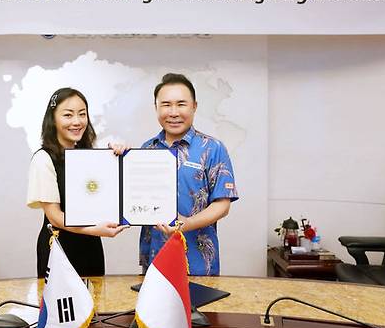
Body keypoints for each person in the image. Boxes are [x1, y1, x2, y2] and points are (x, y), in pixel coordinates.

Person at [138, 73, 238, 276]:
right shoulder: (146, 149)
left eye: (181, 104)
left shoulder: (212, 148)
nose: (173, 112)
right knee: (153, 308)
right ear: (156, 108)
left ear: (194, 106)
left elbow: (222, 204)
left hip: (198, 261)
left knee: (200, 309)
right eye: (166, 104)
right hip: (154, 258)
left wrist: (188, 223)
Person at [27, 87, 128, 278]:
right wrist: (94, 230)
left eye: (82, 114)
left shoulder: (89, 157)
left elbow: (106, 194)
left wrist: (119, 157)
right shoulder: (43, 159)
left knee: (93, 304)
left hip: (90, 246)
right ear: (53, 119)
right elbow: (54, 216)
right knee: (62, 307)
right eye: (68, 115)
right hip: (58, 248)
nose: (77, 121)